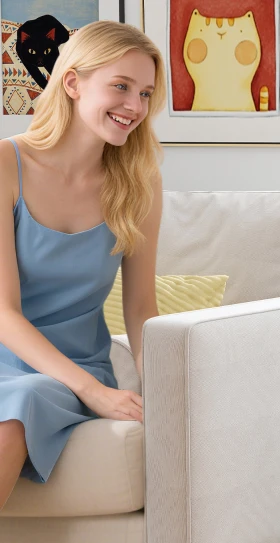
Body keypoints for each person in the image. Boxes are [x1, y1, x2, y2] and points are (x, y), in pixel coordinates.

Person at [0, 20, 166, 509]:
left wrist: (163, 390)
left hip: (71, 371)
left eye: (145, 93)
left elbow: (141, 309)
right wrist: (92, 392)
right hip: (14, 357)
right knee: (22, 391)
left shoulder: (141, 182)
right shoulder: (6, 165)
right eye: (120, 86)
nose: (134, 107)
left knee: (25, 400)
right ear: (72, 83)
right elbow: (4, 312)